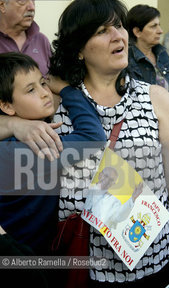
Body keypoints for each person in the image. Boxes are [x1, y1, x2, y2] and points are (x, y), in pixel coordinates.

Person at [0, 0, 169, 287]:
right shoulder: (51, 102)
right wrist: (13, 123)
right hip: (81, 265)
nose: (118, 35)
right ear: (79, 48)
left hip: (153, 259)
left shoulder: (156, 99)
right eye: (102, 31)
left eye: (119, 26)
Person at [0, 52, 106, 256]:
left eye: (43, 83)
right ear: (6, 106)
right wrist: (67, 89)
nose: (45, 93)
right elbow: (92, 136)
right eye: (31, 90)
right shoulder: (18, 153)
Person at [126, 4, 169, 113]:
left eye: (159, 25)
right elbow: (133, 97)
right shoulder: (126, 58)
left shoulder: (162, 53)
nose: (160, 31)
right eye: (153, 26)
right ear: (137, 32)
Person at [0, 0, 51, 76]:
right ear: (2, 5)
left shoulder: (42, 41)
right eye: (23, 0)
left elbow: (53, 81)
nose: (31, 7)